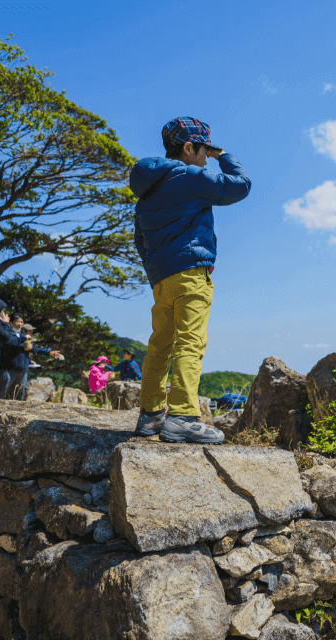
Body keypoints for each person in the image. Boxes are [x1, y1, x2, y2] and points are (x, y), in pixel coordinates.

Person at [129, 117, 250, 444]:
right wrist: (224, 154)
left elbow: (140, 240)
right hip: (191, 274)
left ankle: (150, 416)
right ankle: (182, 416)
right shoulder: (188, 176)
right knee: (189, 341)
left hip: (161, 279)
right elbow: (240, 185)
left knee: (159, 345)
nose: (206, 157)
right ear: (188, 147)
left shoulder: (147, 193)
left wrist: (157, 271)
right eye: (203, 150)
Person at [0, 317, 61, 400]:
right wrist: (24, 344)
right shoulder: (11, 335)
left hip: (23, 370)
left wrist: (48, 353)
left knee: (19, 394)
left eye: (31, 331)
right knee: (2, 392)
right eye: (29, 331)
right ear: (23, 331)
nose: (31, 332)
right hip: (9, 369)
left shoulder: (28, 339)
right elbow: (10, 348)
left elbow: (36, 350)